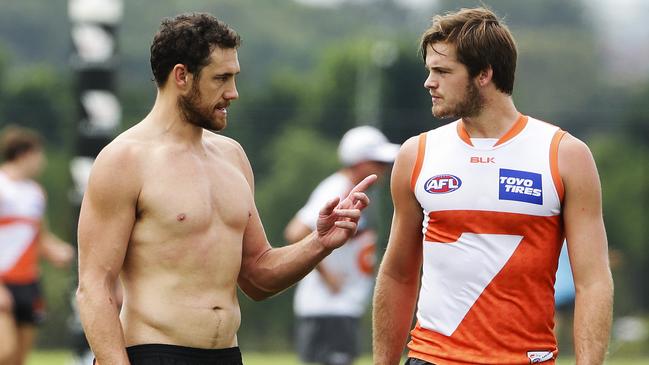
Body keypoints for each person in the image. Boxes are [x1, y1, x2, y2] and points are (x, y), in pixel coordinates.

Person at [76, 13, 376, 365]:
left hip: (227, 356)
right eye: (221, 78)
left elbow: (258, 275)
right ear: (181, 76)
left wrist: (319, 243)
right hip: (153, 353)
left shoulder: (232, 156)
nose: (233, 93)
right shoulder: (124, 160)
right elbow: (93, 288)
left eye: (234, 77)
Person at [372, 7, 613, 365]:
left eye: (442, 71)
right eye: (429, 71)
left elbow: (593, 282)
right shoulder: (416, 154)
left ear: (484, 73)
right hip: (430, 358)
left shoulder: (565, 155)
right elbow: (398, 273)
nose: (429, 82)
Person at [285, 126, 399, 365]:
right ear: (358, 162)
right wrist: (327, 275)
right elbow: (295, 232)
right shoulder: (336, 188)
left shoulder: (356, 191)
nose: (384, 169)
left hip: (341, 305)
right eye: (377, 162)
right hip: (328, 306)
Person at [0, 125, 75, 365]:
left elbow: (41, 238)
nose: (42, 161)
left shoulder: (35, 193)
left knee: (19, 358)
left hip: (28, 283)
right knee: (5, 351)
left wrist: (63, 253)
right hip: (3, 281)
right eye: (39, 154)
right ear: (25, 154)